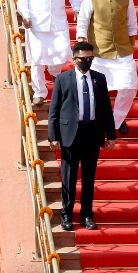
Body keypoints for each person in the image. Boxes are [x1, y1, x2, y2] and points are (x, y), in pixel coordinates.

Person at [48, 42, 116, 231]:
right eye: (84, 59)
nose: (88, 61)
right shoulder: (63, 79)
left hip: (92, 133)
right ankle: (66, 214)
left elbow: (105, 109)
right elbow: (54, 110)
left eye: (90, 58)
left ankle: (87, 214)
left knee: (89, 177)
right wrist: (53, 136)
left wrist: (110, 135)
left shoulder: (99, 79)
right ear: (75, 59)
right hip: (70, 134)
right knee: (68, 177)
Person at [17, 0, 82, 106]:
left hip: (57, 20)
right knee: (37, 59)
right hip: (36, 21)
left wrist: (77, 8)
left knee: (61, 53)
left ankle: (54, 71)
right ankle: (39, 93)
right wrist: (25, 14)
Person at [76, 0, 138, 135]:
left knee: (130, 87)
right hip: (98, 53)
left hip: (122, 52)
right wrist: (82, 40)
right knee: (94, 91)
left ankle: (116, 120)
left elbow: (131, 23)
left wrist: (131, 44)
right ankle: (102, 120)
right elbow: (82, 21)